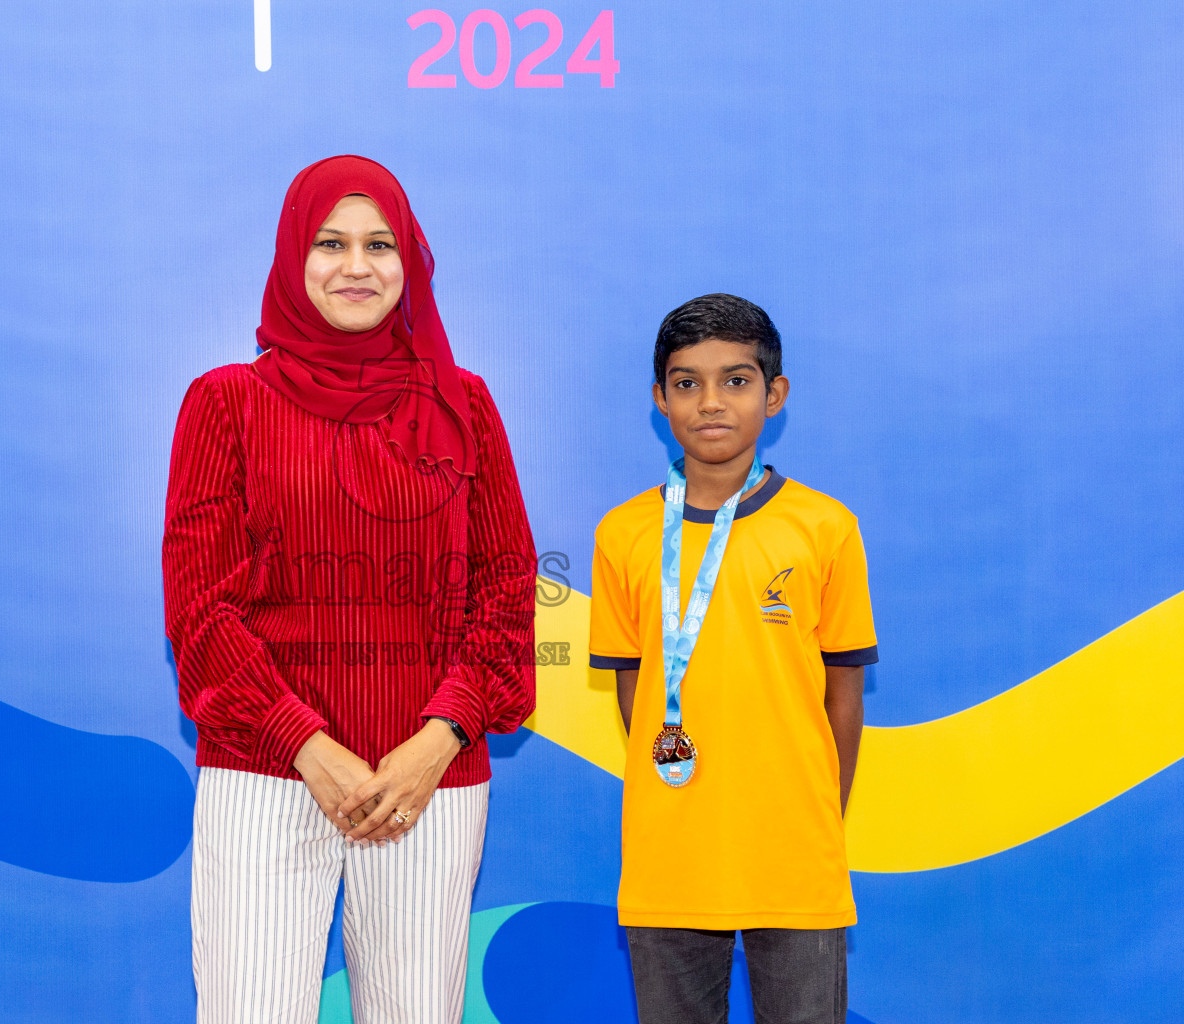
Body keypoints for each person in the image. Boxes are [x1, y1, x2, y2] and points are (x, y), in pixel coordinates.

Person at [163, 154, 536, 1024]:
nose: (356, 265)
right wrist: (306, 745)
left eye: (380, 244)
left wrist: (436, 740)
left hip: (429, 784)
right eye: (330, 242)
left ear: (411, 263)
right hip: (267, 773)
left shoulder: (464, 405)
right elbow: (201, 609)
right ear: (294, 258)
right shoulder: (225, 404)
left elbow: (508, 589)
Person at [589, 294, 877, 1024]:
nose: (710, 402)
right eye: (686, 383)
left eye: (736, 380)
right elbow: (636, 690)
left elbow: (843, 693)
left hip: (794, 859)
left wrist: (811, 815)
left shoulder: (825, 527)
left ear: (774, 395)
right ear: (659, 399)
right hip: (671, 856)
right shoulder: (623, 534)